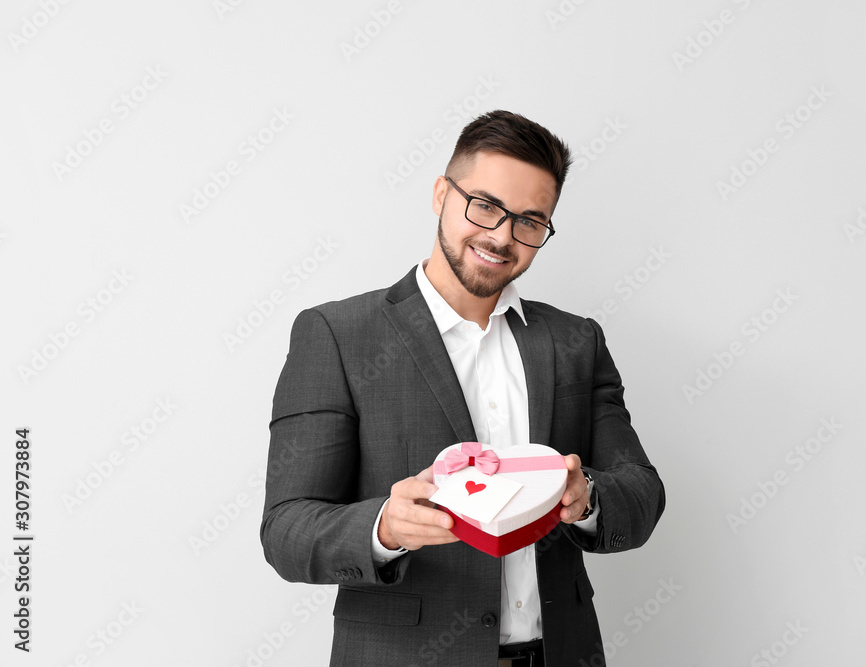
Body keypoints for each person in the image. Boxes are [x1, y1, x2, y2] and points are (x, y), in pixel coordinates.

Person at [261, 109, 665, 667]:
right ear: (440, 195)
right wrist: (383, 526)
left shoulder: (576, 341)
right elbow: (286, 530)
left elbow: (642, 494)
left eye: (530, 220)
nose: (502, 236)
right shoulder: (337, 335)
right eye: (486, 206)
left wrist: (587, 496)